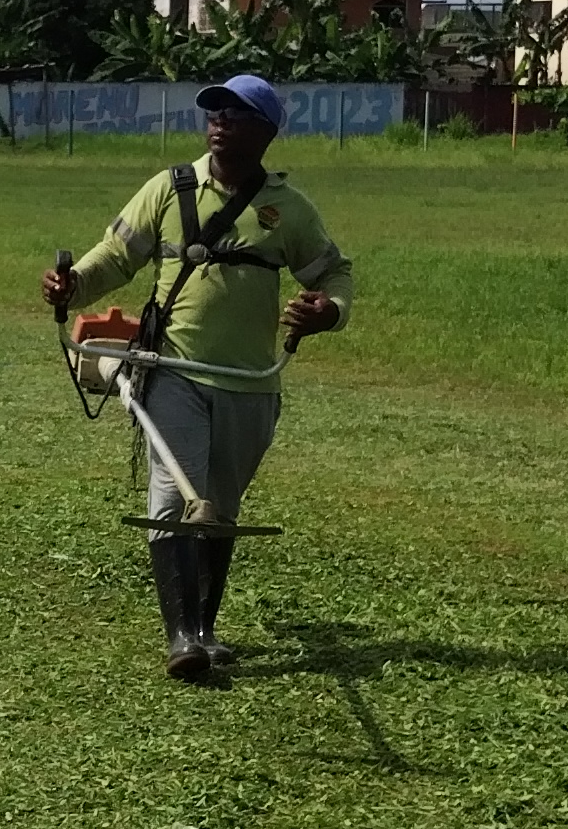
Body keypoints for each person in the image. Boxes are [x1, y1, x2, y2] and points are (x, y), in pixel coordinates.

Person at [43, 71, 352, 684]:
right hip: (171, 371)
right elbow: (116, 256)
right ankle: (181, 636)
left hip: (249, 384)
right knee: (176, 492)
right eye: (214, 112)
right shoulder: (168, 189)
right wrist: (72, 284)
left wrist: (329, 311)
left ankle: (205, 631)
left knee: (220, 505)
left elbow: (333, 274)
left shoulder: (288, 210)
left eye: (235, 114)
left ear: (266, 131)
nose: (219, 121)